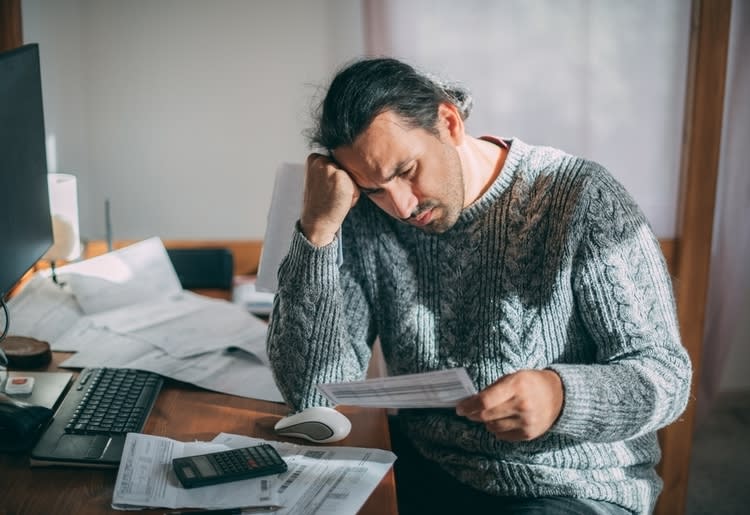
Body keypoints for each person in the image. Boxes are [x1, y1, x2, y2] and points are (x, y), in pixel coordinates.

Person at [266, 57, 691, 515]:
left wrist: (562, 395)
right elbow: (312, 395)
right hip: (426, 469)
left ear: (448, 123)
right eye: (373, 190)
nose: (401, 206)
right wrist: (317, 231)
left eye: (406, 170)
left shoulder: (581, 197)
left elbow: (666, 377)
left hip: (566, 487)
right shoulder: (367, 217)